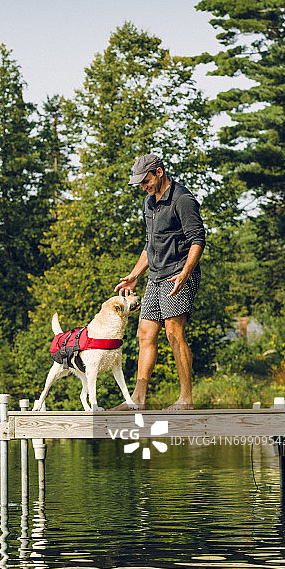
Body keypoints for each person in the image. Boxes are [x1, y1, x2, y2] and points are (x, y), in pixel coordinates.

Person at [112, 153, 205, 411]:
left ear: (159, 172)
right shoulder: (149, 203)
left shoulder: (183, 200)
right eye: (140, 183)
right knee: (145, 334)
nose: (143, 186)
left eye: (146, 180)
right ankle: (138, 399)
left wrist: (185, 273)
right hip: (155, 276)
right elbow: (150, 244)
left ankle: (186, 398)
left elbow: (198, 240)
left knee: (173, 333)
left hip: (178, 273)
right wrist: (134, 274)